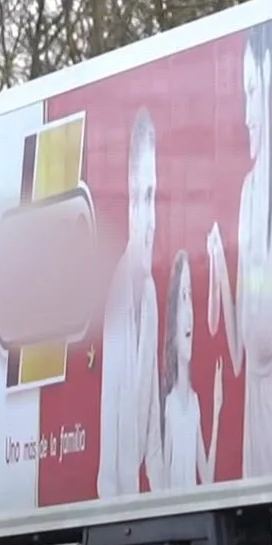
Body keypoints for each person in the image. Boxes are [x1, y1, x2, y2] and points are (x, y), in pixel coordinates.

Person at [207, 20, 272, 480]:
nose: (246, 114)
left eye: (252, 92)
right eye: (243, 94)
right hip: (250, 458)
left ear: (271, 92)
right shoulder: (247, 195)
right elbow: (240, 352)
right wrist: (221, 270)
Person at [97, 107, 164, 498]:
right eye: (140, 197)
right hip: (115, 501)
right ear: (127, 204)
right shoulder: (120, 300)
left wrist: (171, 497)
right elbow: (120, 461)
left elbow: (151, 441)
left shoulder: (150, 296)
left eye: (154, 197)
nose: (149, 216)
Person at [159, 251, 224, 490]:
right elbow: (163, 483)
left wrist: (217, 410)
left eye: (190, 298)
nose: (189, 315)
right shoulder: (168, 405)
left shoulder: (194, 403)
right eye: (182, 298)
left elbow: (206, 476)